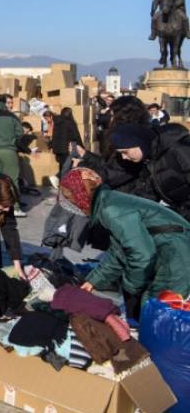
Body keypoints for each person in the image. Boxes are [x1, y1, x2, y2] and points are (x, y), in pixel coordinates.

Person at [60, 168, 190, 318]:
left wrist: (131, 287)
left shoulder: (111, 210)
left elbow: (142, 255)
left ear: (81, 198)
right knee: (151, 307)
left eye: (72, 201)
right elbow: (119, 252)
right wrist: (93, 281)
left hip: (177, 253)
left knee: (158, 309)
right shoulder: (107, 202)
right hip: (173, 248)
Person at [48, 107, 83, 174]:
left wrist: (51, 146)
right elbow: (76, 136)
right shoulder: (70, 122)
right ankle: (61, 180)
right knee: (67, 167)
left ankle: (60, 181)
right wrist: (81, 147)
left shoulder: (57, 122)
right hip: (67, 148)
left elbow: (54, 135)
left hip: (58, 149)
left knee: (62, 166)